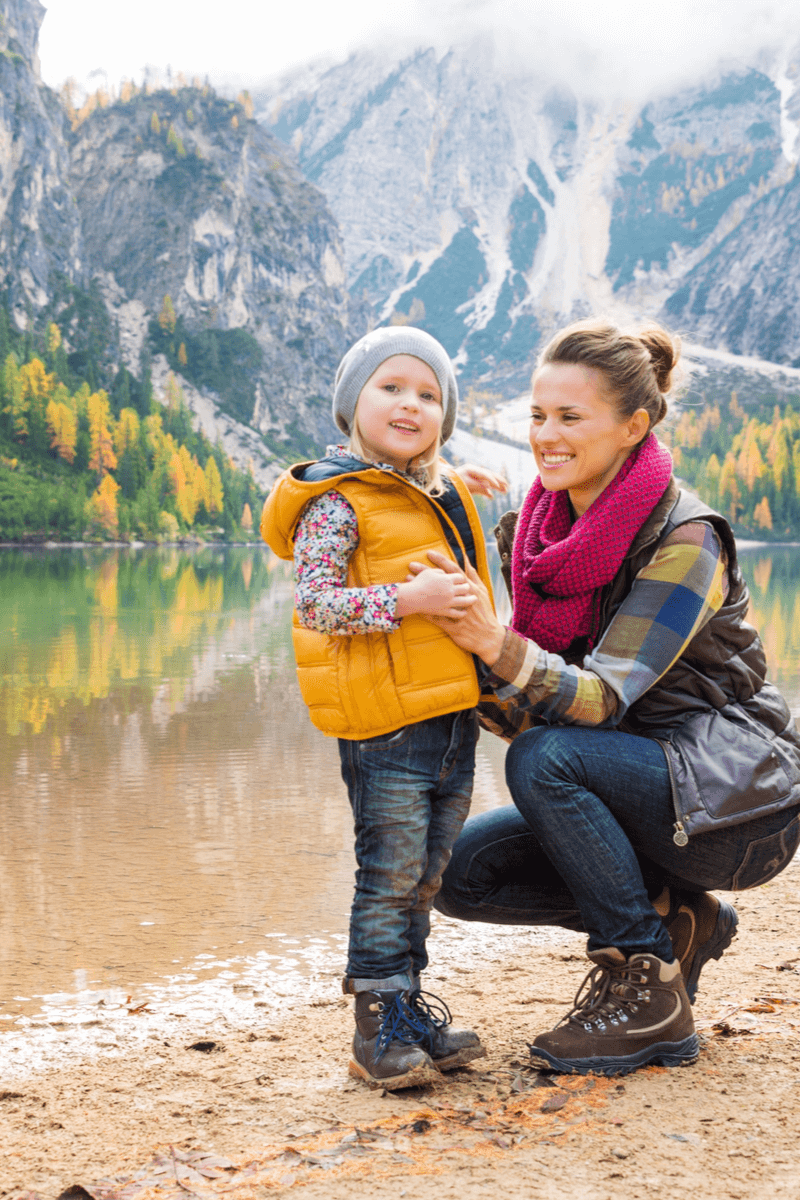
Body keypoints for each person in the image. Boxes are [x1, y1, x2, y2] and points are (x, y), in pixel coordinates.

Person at [424, 319, 800, 1077]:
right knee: (462, 873)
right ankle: (677, 924)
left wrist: (490, 644)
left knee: (547, 759)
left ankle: (646, 989)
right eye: (538, 415)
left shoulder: (686, 540)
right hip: (647, 789)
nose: (547, 435)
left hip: (741, 808)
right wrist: (456, 660)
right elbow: (541, 703)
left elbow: (598, 702)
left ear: (634, 426)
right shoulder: (536, 538)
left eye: (571, 417)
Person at [260, 326, 507, 1089]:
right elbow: (319, 604)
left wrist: (466, 491)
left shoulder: (429, 489)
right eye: (391, 388)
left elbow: (433, 528)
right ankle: (376, 1024)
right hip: (386, 727)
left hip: (448, 718)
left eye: (429, 396)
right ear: (352, 404)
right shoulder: (335, 503)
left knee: (427, 871)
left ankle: (408, 1008)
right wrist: (413, 598)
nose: (410, 404)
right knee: (389, 872)